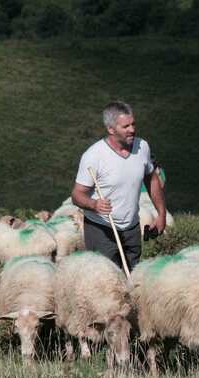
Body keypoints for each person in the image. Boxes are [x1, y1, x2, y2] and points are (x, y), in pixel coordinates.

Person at [71, 101, 167, 270]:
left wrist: (161, 213)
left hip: (132, 228)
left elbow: (151, 179)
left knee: (133, 276)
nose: (132, 129)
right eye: (126, 126)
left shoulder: (142, 147)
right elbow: (77, 194)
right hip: (102, 229)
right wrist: (94, 204)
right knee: (105, 280)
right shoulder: (94, 156)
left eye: (133, 124)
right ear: (111, 129)